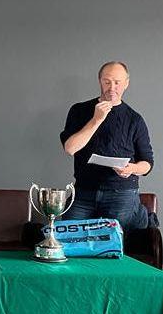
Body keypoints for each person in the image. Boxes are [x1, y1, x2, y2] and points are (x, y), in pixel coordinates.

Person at [60, 61, 155, 231]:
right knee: (66, 237)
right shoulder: (79, 110)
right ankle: (140, 215)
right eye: (107, 82)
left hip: (121, 192)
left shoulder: (135, 119)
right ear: (100, 81)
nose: (112, 88)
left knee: (113, 240)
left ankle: (141, 215)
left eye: (117, 82)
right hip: (83, 191)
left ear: (126, 83)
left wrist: (131, 168)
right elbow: (70, 148)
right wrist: (97, 119)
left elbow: (147, 163)